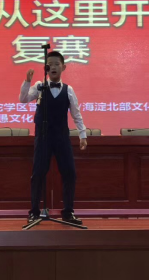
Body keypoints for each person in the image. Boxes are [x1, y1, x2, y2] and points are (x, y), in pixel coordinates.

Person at [19, 51, 87, 225]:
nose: (54, 67)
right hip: (43, 137)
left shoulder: (68, 90)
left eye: (57, 64)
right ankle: (34, 212)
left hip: (62, 136)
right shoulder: (39, 86)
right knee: (38, 173)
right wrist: (27, 82)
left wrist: (82, 134)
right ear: (46, 68)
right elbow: (23, 99)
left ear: (63, 67)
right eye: (50, 64)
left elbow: (76, 113)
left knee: (69, 173)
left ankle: (68, 212)